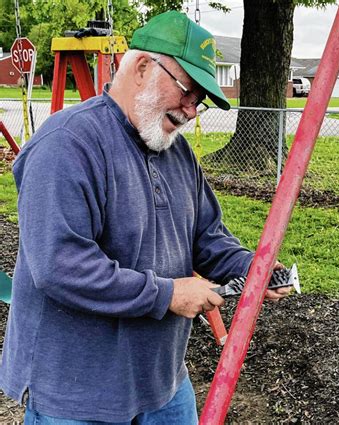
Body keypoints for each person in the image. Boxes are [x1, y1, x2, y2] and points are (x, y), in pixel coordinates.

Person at [0, 10, 290, 424]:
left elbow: (206, 237)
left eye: (200, 101)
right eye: (187, 91)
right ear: (141, 68)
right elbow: (60, 267)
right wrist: (168, 294)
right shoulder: (67, 145)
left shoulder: (177, 152)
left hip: (161, 383)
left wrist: (251, 267)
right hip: (79, 393)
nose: (191, 111)